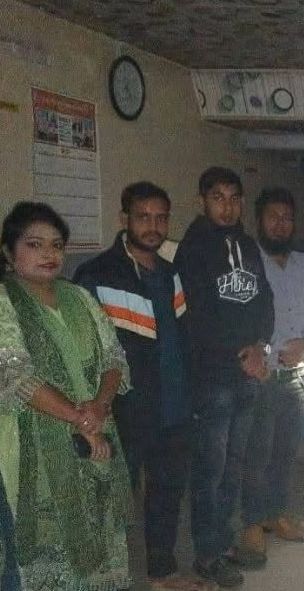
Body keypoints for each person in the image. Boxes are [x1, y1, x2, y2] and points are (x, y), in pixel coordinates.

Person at [74, 183, 209, 591]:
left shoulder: (170, 273)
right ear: (124, 219)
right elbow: (84, 350)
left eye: (161, 218)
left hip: (175, 407)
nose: (153, 226)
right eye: (143, 217)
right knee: (113, 500)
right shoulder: (96, 275)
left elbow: (185, 338)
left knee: (167, 495)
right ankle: (104, 579)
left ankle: (162, 573)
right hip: (126, 412)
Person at [0, 201, 132, 590]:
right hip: (29, 445)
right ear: (8, 252)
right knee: (40, 553)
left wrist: (99, 407)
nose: (49, 254)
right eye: (34, 244)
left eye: (56, 245)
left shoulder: (80, 298)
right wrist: (80, 418)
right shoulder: (4, 302)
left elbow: (114, 357)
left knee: (99, 533)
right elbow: (15, 374)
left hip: (95, 431)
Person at [176, 167, 274, 588]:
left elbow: (264, 299)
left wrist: (261, 345)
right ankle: (206, 555)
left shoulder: (247, 244)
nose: (227, 206)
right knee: (210, 470)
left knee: (233, 466)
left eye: (234, 198)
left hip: (246, 372)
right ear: (202, 200)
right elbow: (197, 318)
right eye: (218, 197)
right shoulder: (192, 249)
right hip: (212, 377)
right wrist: (242, 356)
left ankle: (223, 540)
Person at [239, 187, 304, 556]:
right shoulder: (247, 262)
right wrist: (272, 351)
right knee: (256, 454)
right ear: (259, 220)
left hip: (297, 376)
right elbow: (243, 319)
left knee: (285, 453)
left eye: (287, 218)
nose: (280, 224)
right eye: (273, 217)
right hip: (262, 376)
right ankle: (252, 522)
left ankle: (276, 513)